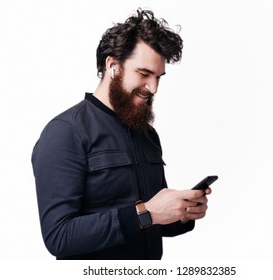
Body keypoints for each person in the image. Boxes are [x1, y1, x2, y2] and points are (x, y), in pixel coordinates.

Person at [31, 8, 210, 260]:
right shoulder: (65, 132)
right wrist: (145, 213)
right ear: (113, 65)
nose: (154, 87)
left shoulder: (147, 133)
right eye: (144, 74)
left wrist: (181, 213)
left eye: (159, 77)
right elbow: (59, 237)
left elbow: (152, 221)